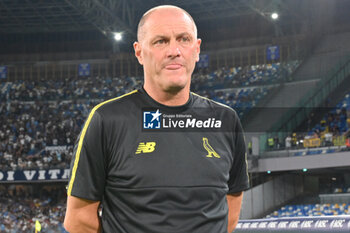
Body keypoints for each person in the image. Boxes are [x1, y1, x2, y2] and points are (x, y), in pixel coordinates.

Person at [64, 5, 249, 233]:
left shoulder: (226, 121)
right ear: (139, 52)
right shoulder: (106, 120)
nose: (174, 50)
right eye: (160, 41)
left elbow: (232, 205)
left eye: (183, 39)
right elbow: (78, 219)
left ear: (197, 48)